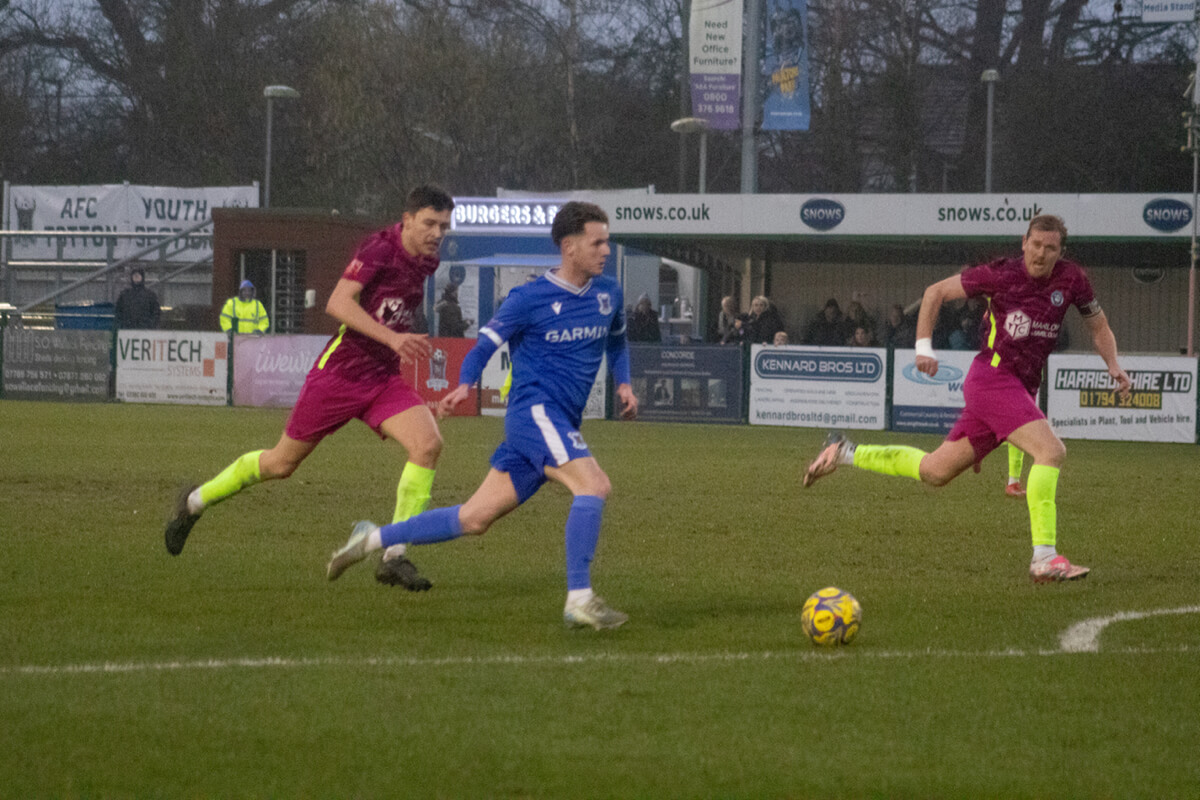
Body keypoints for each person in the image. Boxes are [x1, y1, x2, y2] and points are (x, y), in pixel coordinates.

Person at [325, 201, 639, 630]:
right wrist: (467, 382)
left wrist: (623, 382)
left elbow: (617, 341)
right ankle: (580, 599)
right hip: (535, 414)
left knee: (474, 518)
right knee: (594, 485)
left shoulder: (609, 294)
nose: (606, 250)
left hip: (557, 420)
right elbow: (487, 343)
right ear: (569, 247)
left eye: (607, 241)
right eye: (597, 242)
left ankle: (371, 539)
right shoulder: (529, 298)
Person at [802, 215, 1131, 583]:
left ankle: (845, 451)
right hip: (992, 379)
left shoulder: (1072, 279)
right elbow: (935, 293)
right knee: (1051, 451)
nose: (1040, 253)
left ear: (1060, 251)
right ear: (1024, 242)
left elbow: (1098, 326)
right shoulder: (1000, 273)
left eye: (1049, 248)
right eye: (1035, 244)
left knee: (935, 471)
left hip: (1017, 386)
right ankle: (1044, 558)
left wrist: (1113, 364)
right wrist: (923, 347)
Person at [165, 185, 457, 592]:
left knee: (427, 445)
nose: (437, 232)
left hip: (383, 377)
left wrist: (398, 342)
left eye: (444, 225)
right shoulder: (379, 249)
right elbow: (337, 303)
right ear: (406, 220)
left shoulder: (427, 261)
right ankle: (194, 502)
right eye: (429, 223)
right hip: (339, 375)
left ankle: (394, 556)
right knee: (280, 465)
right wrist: (392, 339)